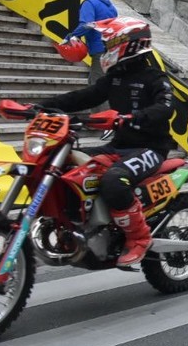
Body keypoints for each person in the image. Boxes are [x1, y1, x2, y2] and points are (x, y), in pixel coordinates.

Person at [42, 17, 175, 266]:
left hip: (151, 148)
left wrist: (130, 117)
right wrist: (40, 106)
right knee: (68, 167)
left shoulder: (155, 78)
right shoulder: (115, 77)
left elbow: (165, 108)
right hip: (118, 146)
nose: (107, 47)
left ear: (130, 43)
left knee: (114, 181)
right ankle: (79, 226)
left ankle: (139, 238)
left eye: (111, 42)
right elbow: (84, 96)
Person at [61, 0, 118, 84]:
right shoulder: (112, 8)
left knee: (96, 85)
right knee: (101, 82)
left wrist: (71, 36)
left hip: (99, 49)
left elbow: (87, 25)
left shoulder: (90, 3)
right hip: (112, 49)